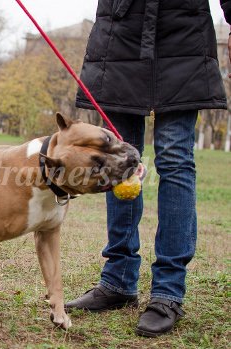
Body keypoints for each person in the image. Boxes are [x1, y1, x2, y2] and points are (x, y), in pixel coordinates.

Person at [65, 0, 230, 337]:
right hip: (121, 31)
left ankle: (168, 290)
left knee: (174, 157)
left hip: (182, 29)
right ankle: (118, 279)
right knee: (119, 157)